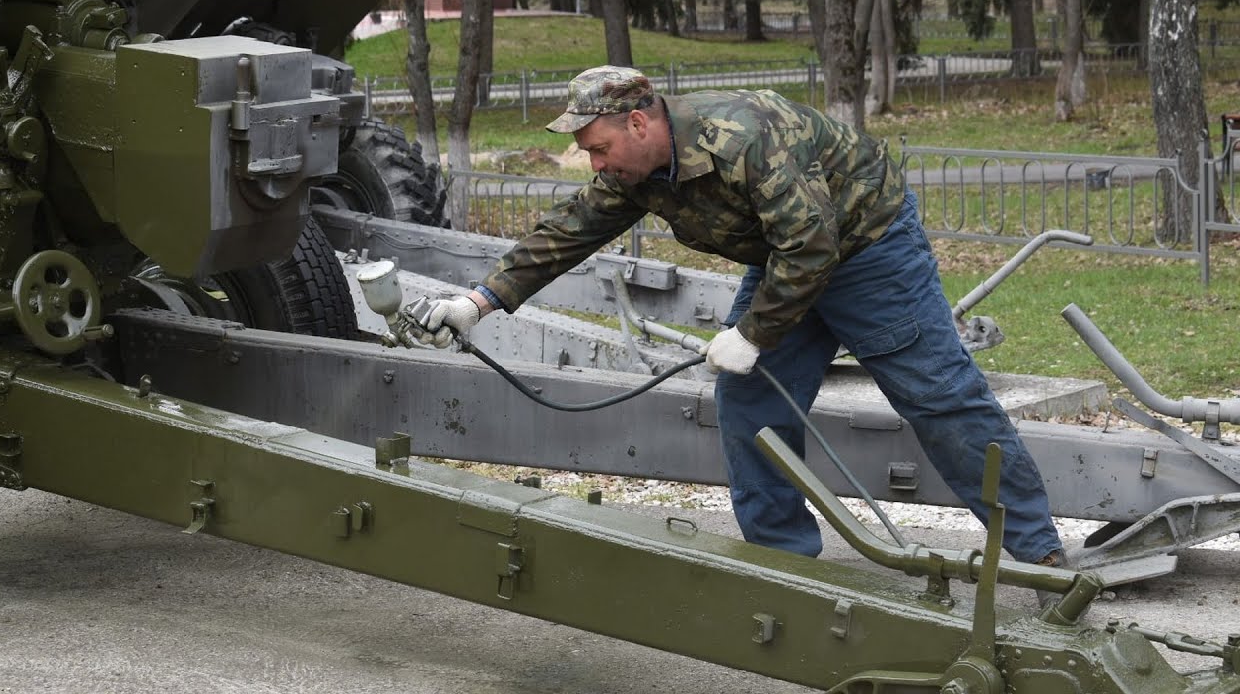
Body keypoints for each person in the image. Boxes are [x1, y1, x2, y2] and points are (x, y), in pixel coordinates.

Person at [418, 65, 1067, 577]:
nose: (596, 163)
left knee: (938, 396)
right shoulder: (635, 172)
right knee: (748, 401)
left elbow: (815, 244)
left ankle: (1042, 555)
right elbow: (568, 232)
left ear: (639, 123)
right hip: (786, 258)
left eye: (599, 148)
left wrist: (753, 333)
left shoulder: (747, 137)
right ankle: (783, 563)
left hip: (867, 249)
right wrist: (478, 303)